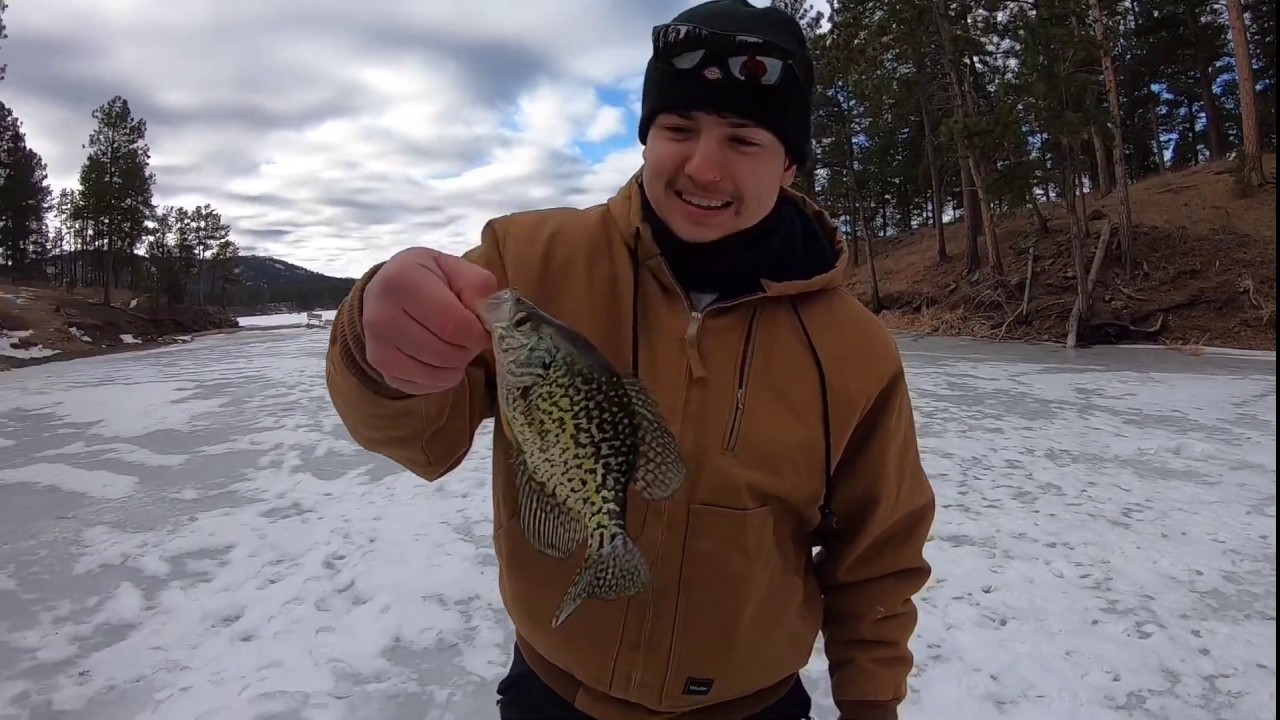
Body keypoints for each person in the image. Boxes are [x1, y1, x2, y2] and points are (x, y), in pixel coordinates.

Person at [324, 1, 936, 718]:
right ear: (646, 137)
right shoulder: (524, 262)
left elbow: (878, 558)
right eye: (679, 129)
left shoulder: (855, 350)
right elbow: (423, 437)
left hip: (754, 704)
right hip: (553, 691)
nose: (703, 167)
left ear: (791, 163)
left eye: (743, 139)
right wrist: (378, 344)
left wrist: (872, 705)